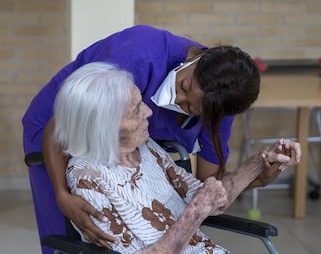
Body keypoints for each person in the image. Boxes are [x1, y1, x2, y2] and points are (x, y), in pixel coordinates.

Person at [21, 24, 287, 253]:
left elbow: (208, 189)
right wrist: (61, 194)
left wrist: (257, 172)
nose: (176, 101)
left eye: (192, 109)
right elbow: (62, 124)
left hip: (130, 155)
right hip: (56, 126)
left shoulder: (155, 145)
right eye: (184, 87)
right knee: (72, 230)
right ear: (196, 60)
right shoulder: (138, 54)